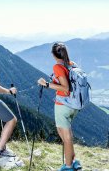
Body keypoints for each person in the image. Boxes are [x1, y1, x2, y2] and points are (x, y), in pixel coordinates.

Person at [37, 42, 81, 171]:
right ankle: (73, 160)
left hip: (63, 105)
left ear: (53, 54)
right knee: (66, 133)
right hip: (74, 105)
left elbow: (65, 88)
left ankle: (68, 166)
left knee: (65, 136)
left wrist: (46, 84)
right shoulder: (72, 64)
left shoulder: (58, 67)